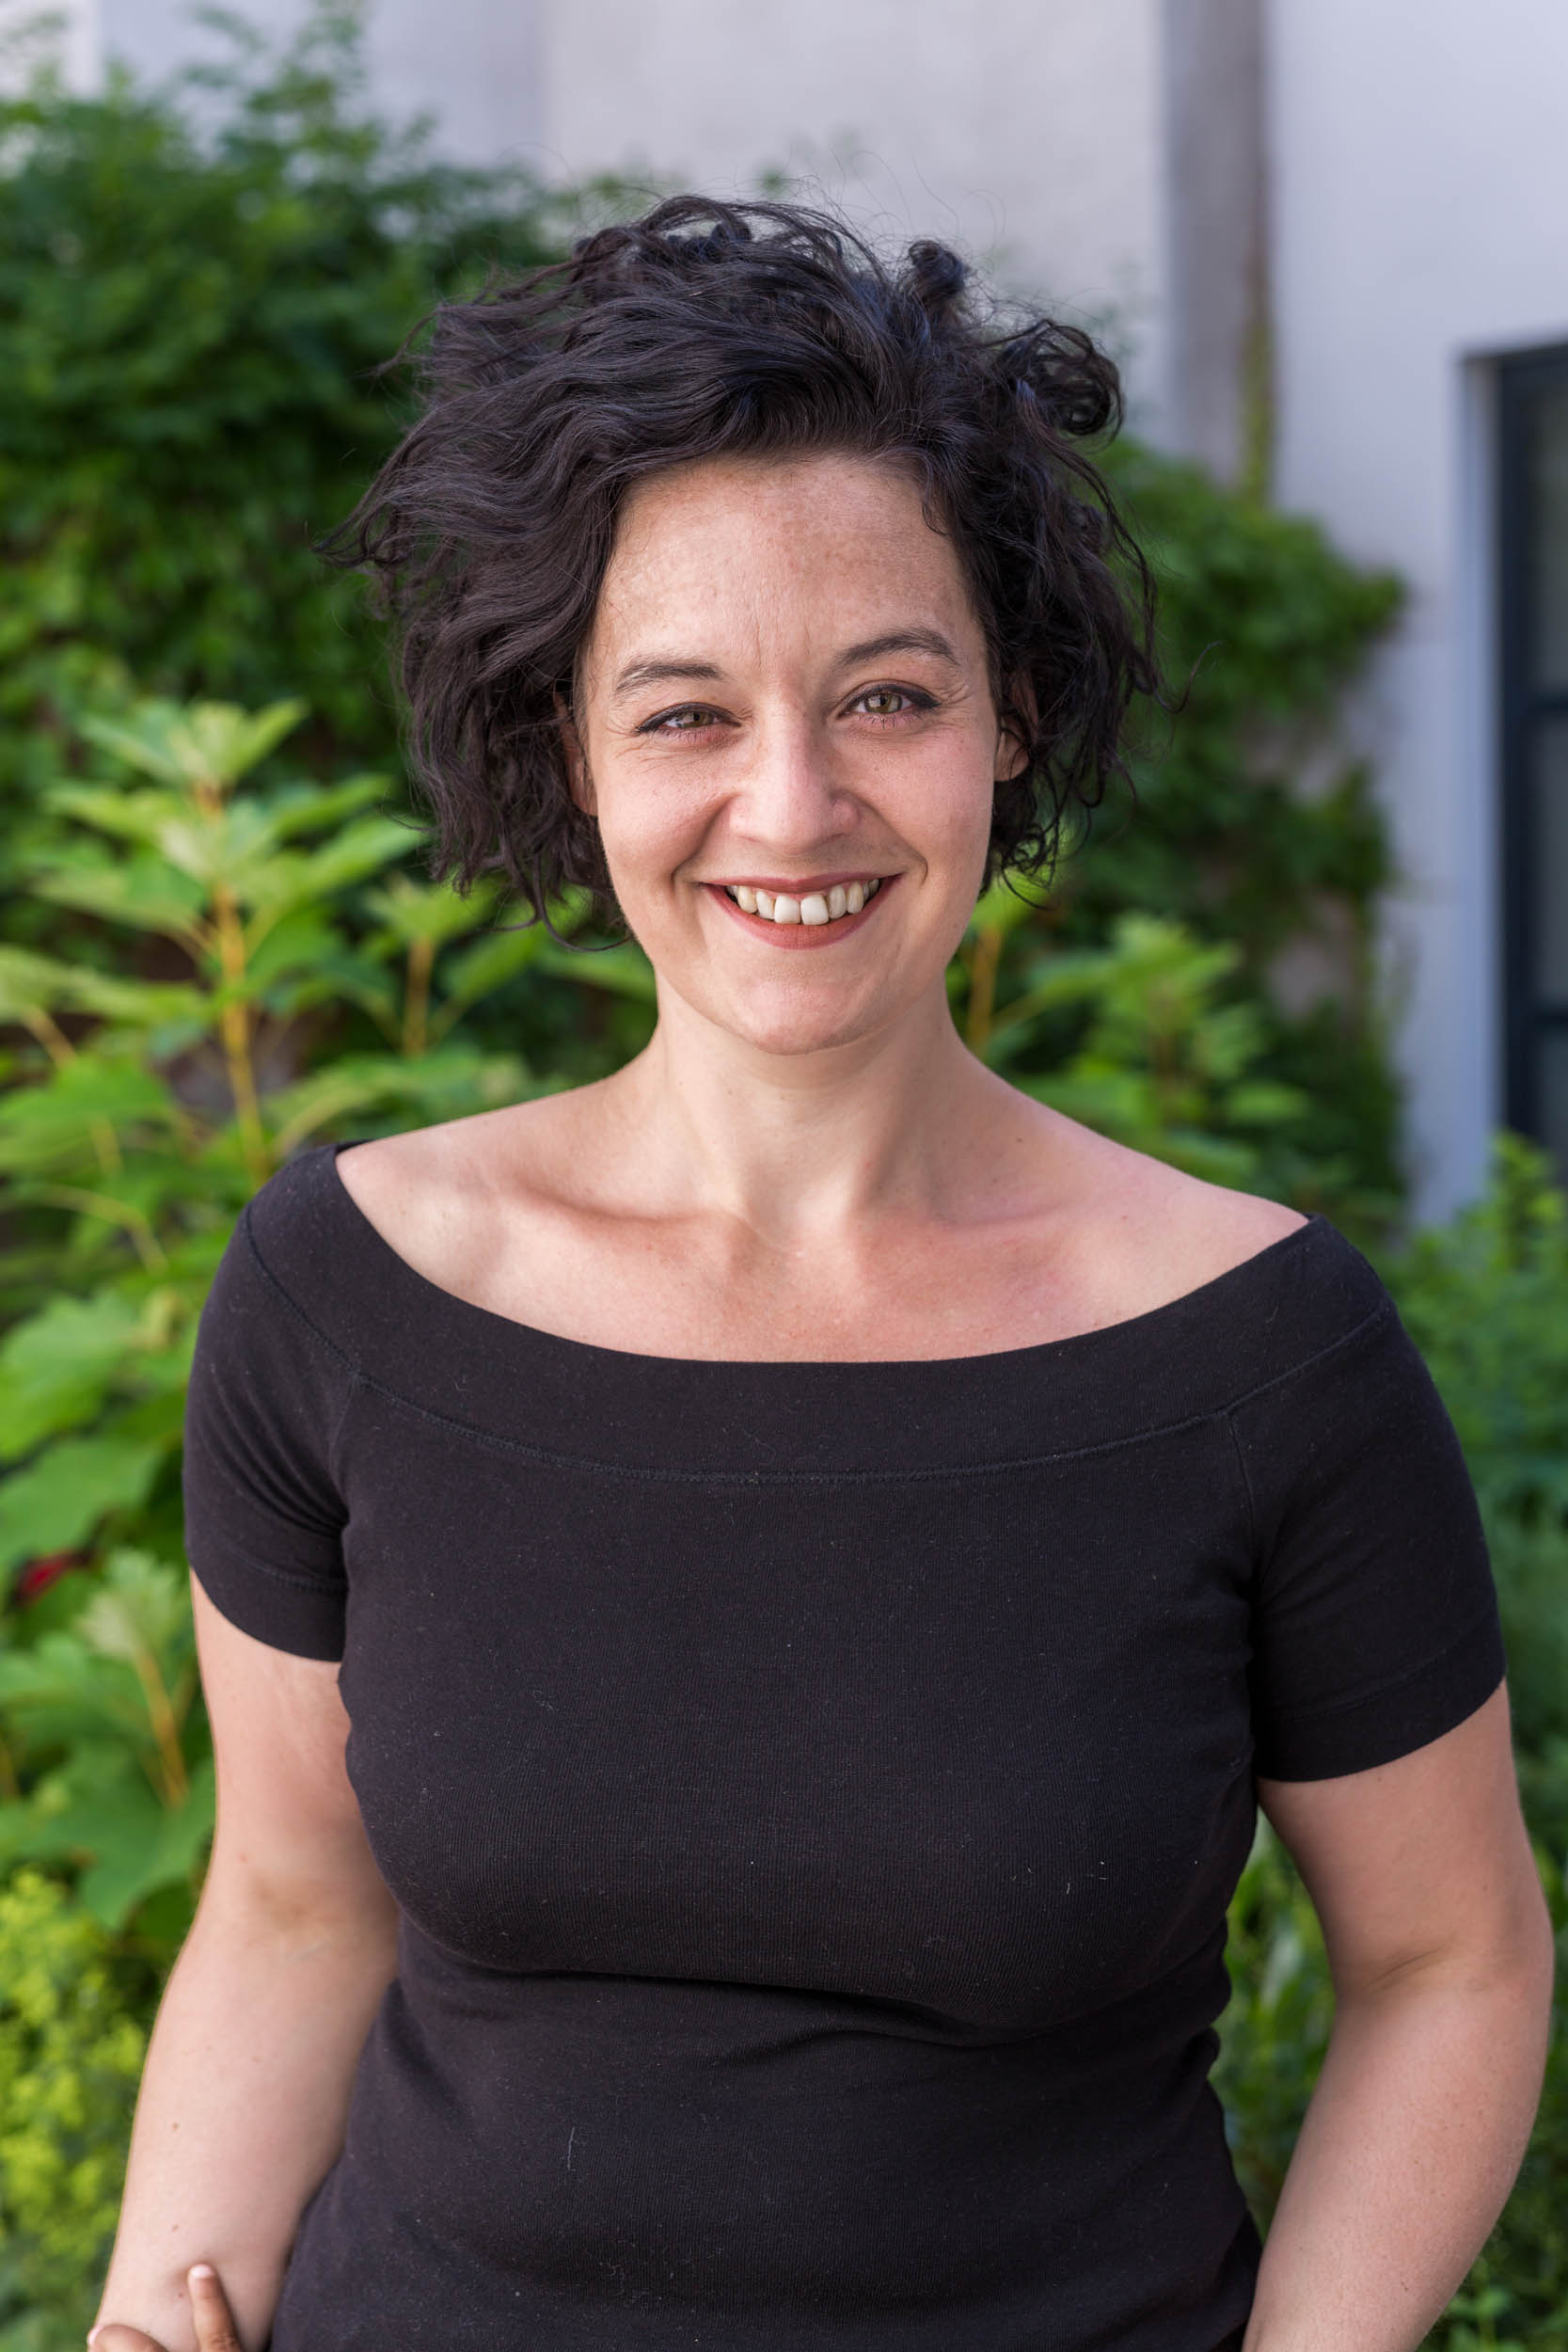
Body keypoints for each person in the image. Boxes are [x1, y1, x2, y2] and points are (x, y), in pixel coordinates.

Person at [91, 199, 1551, 2352]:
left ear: (1010, 717)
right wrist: (151, 2317)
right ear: (571, 745)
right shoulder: (348, 1293)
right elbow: (296, 1907)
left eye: (886, 693)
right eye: (685, 711)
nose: (792, 806)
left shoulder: (1261, 1352)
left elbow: (1452, 1961)